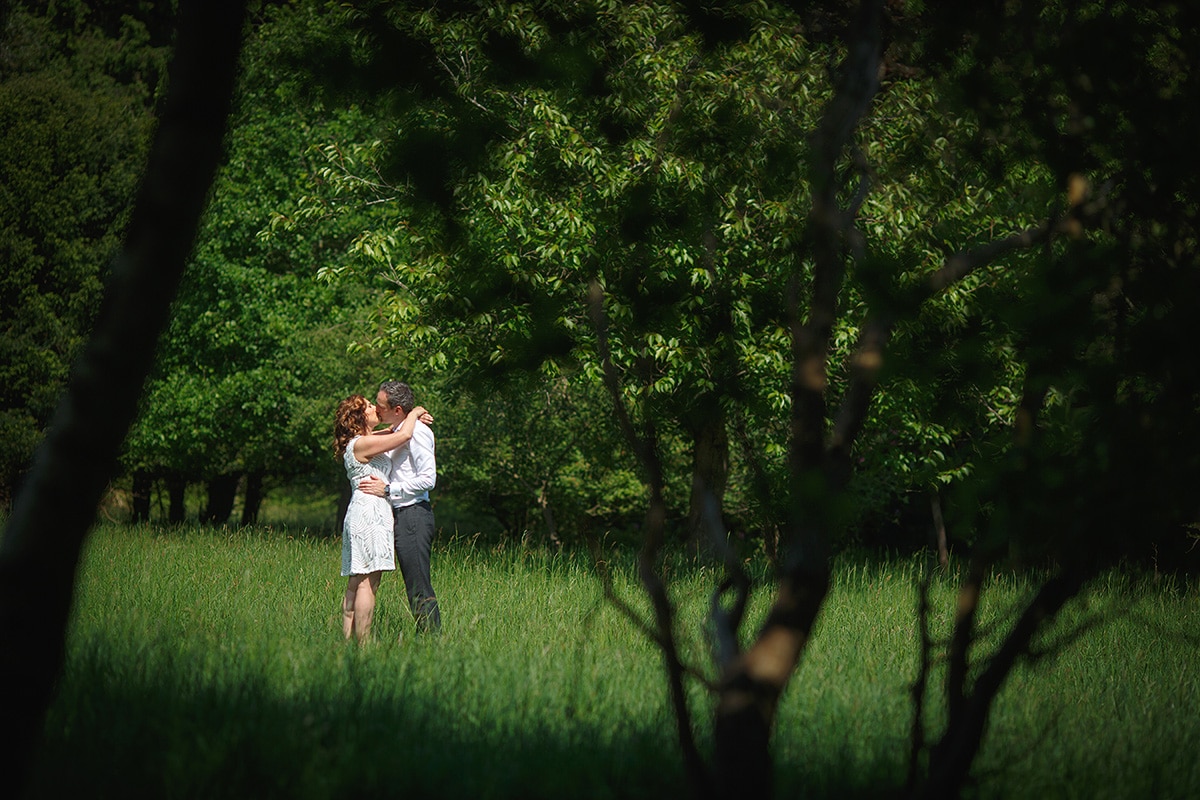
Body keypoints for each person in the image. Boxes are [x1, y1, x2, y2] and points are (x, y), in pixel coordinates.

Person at [333, 394, 431, 644]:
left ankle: (348, 644)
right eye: (368, 406)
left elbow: (393, 430)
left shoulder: (364, 440)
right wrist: (414, 411)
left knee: (357, 582)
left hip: (362, 511)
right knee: (368, 583)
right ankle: (363, 645)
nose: (374, 407)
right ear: (359, 418)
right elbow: (402, 436)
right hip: (371, 512)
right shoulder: (362, 444)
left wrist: (413, 417)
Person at [358, 380, 441, 634]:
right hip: (399, 515)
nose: (377, 409)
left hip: (413, 514)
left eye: (381, 405)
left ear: (397, 409)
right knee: (412, 584)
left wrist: (388, 490)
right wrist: (415, 413)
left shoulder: (418, 432)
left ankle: (430, 642)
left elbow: (429, 478)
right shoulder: (400, 429)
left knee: (418, 585)